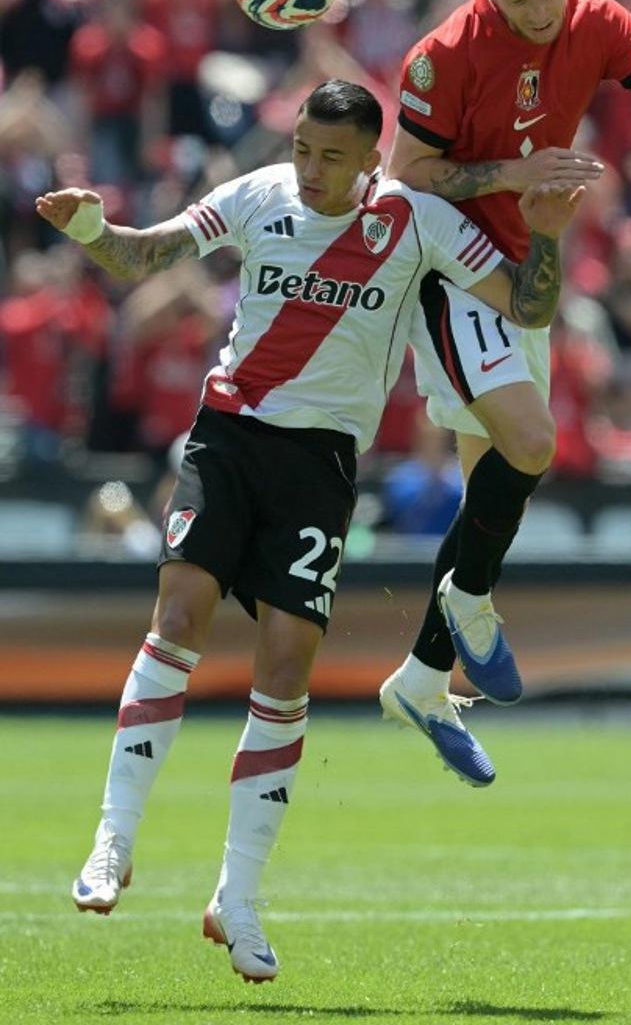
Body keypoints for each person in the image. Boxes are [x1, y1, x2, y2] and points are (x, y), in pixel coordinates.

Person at [36, 80, 584, 983]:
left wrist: (550, 230)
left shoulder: (417, 220)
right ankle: (112, 841)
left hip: (323, 465)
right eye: (302, 149)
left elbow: (527, 308)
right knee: (179, 616)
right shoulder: (257, 195)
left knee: (285, 669)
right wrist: (95, 230)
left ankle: (237, 898)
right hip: (230, 435)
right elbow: (144, 257)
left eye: (333, 157)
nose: (312, 171)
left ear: (374, 157)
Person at [379, 0, 631, 781]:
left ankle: (421, 679)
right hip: (451, 266)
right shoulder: (446, 54)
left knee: (485, 497)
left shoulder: (597, 19)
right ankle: (475, 605)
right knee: (532, 446)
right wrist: (513, 173)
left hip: (526, 258)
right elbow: (404, 179)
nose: (539, 13)